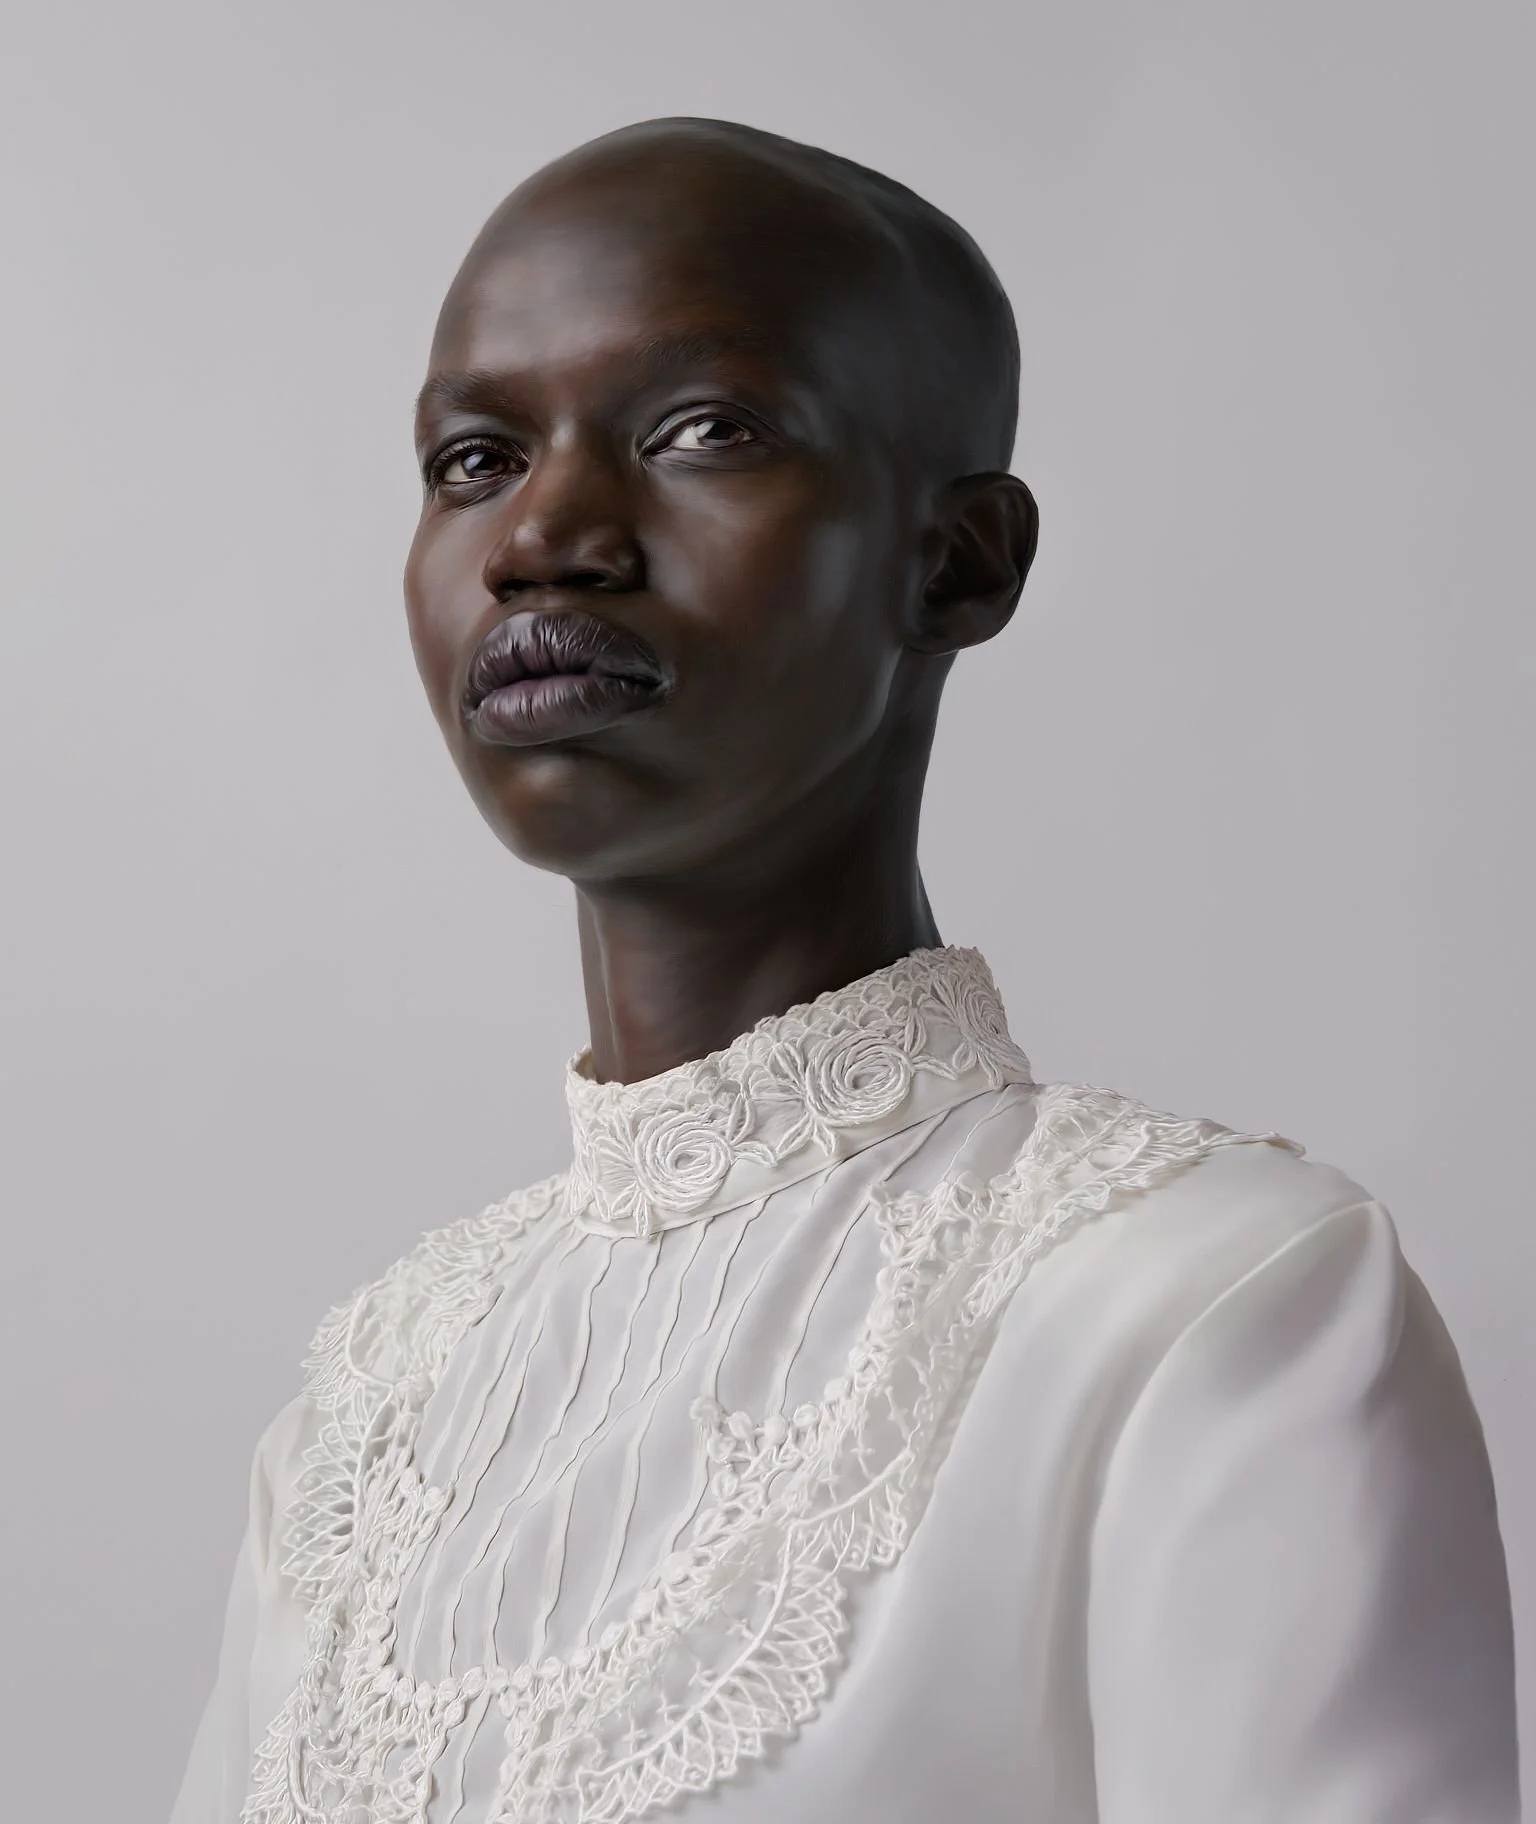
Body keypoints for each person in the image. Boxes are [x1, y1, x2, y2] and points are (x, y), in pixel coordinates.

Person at [170, 117, 1520, 1824]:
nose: (545, 537)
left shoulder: (1203, 1307)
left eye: (704, 431)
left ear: (958, 560)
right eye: (472, 460)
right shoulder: (373, 1405)